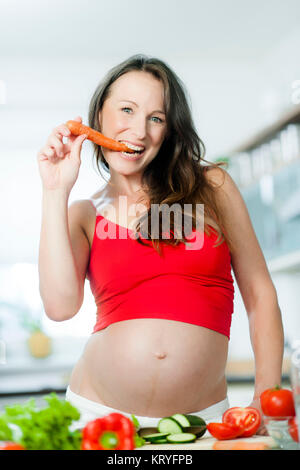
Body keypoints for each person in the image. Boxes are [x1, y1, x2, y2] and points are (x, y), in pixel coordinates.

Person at [37, 54, 284, 435]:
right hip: (97, 416)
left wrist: (265, 396)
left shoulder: (212, 187)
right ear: (99, 115)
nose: (138, 131)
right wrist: (55, 191)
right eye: (126, 110)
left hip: (205, 422)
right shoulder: (83, 214)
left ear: (169, 131)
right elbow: (59, 307)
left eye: (156, 118)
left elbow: (260, 294)